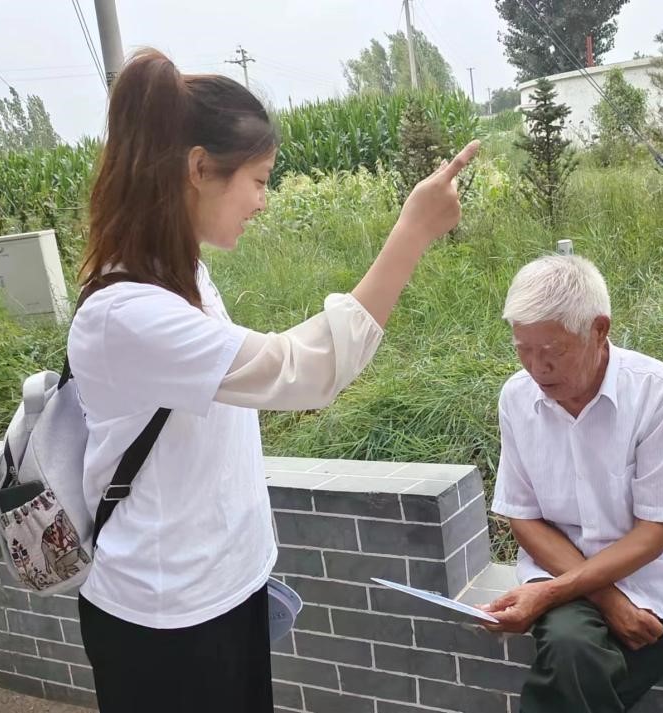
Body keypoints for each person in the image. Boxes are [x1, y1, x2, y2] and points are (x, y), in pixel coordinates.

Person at [67, 48, 478, 712]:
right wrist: (413, 231)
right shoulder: (129, 314)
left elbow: (265, 371)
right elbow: (302, 371)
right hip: (166, 619)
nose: (262, 201)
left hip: (222, 592)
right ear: (198, 169)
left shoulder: (179, 277)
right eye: (258, 180)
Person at [481, 255, 663, 712]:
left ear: (599, 329)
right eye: (523, 349)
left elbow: (655, 531)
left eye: (553, 350)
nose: (537, 367)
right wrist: (608, 601)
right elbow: (523, 517)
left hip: (654, 581)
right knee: (571, 649)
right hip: (561, 570)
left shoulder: (658, 394)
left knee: (573, 662)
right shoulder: (516, 397)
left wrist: (557, 596)